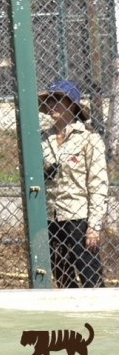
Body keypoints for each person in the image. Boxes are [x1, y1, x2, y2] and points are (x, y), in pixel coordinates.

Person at [38, 79, 108, 288]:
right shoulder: (42, 138)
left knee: (91, 280)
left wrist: (94, 226)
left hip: (79, 219)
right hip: (51, 217)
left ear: (72, 105)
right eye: (49, 100)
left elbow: (98, 184)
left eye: (58, 100)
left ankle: (98, 319)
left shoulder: (89, 138)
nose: (52, 105)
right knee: (63, 280)